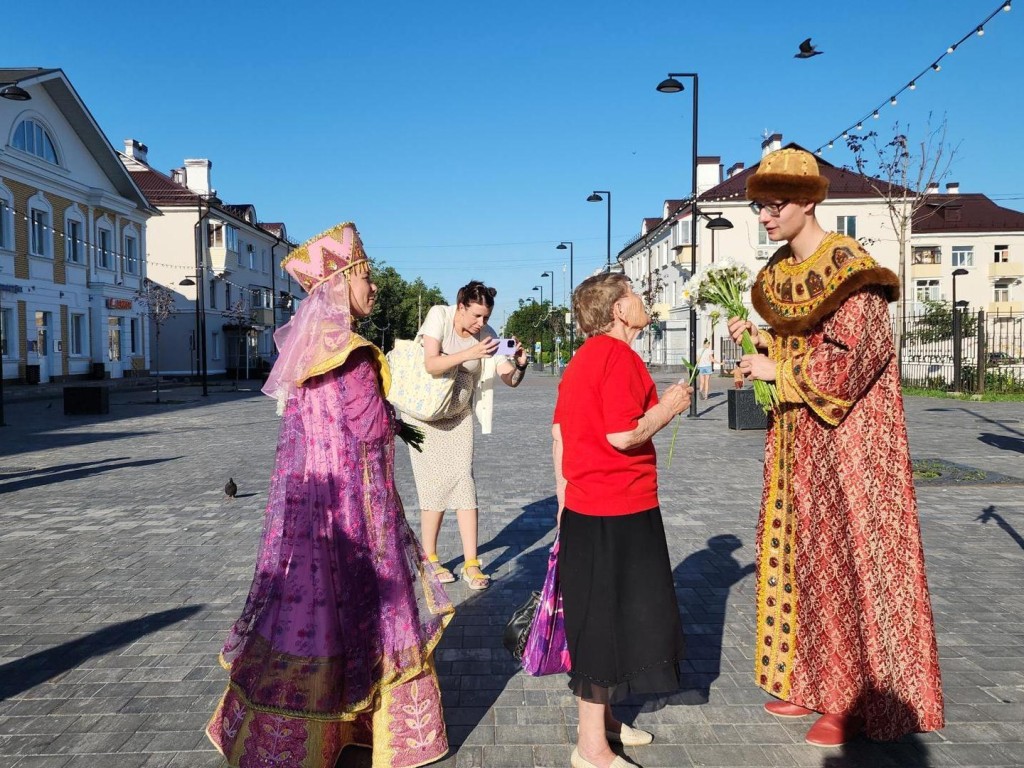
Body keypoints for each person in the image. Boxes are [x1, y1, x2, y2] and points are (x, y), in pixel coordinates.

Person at [206, 223, 455, 768]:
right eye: (367, 278)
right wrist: (396, 412)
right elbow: (368, 430)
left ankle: (295, 738)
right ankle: (385, 731)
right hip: (359, 511)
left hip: (313, 515)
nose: (375, 289)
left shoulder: (306, 358)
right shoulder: (357, 354)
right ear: (341, 282)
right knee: (375, 614)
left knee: (310, 616)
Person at [730, 148, 944, 746]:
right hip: (798, 443)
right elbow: (805, 338)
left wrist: (778, 370)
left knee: (844, 565)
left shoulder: (854, 268)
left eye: (775, 205)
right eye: (761, 206)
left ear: (809, 202)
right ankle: (811, 676)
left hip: (849, 447)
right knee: (802, 559)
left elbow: (855, 357)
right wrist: (761, 337)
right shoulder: (780, 270)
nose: (766, 216)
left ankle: (851, 696)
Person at [552, 273, 691, 768]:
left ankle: (607, 722)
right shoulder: (618, 357)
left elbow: (560, 436)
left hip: (591, 509)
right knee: (607, 625)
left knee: (602, 618)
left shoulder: (583, 359)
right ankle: (591, 749)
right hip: (618, 506)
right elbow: (621, 435)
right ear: (617, 309)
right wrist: (671, 406)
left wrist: (564, 502)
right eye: (634, 292)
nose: (643, 299)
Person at [407, 281, 529, 591]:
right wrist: (473, 352)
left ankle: (471, 563)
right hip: (425, 417)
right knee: (433, 486)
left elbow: (508, 378)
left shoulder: (486, 335)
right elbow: (432, 364)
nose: (481, 323)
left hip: (458, 418)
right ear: (461, 306)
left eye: (486, 317)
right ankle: (430, 559)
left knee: (464, 482)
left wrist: (519, 366)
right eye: (476, 316)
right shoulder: (440, 315)